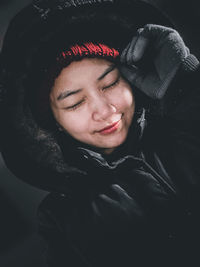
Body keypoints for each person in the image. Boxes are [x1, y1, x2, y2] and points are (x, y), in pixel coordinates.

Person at [0, 0, 200, 266]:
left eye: (110, 83)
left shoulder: (189, 126)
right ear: (52, 120)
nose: (104, 111)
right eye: (74, 103)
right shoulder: (62, 220)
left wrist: (186, 81)